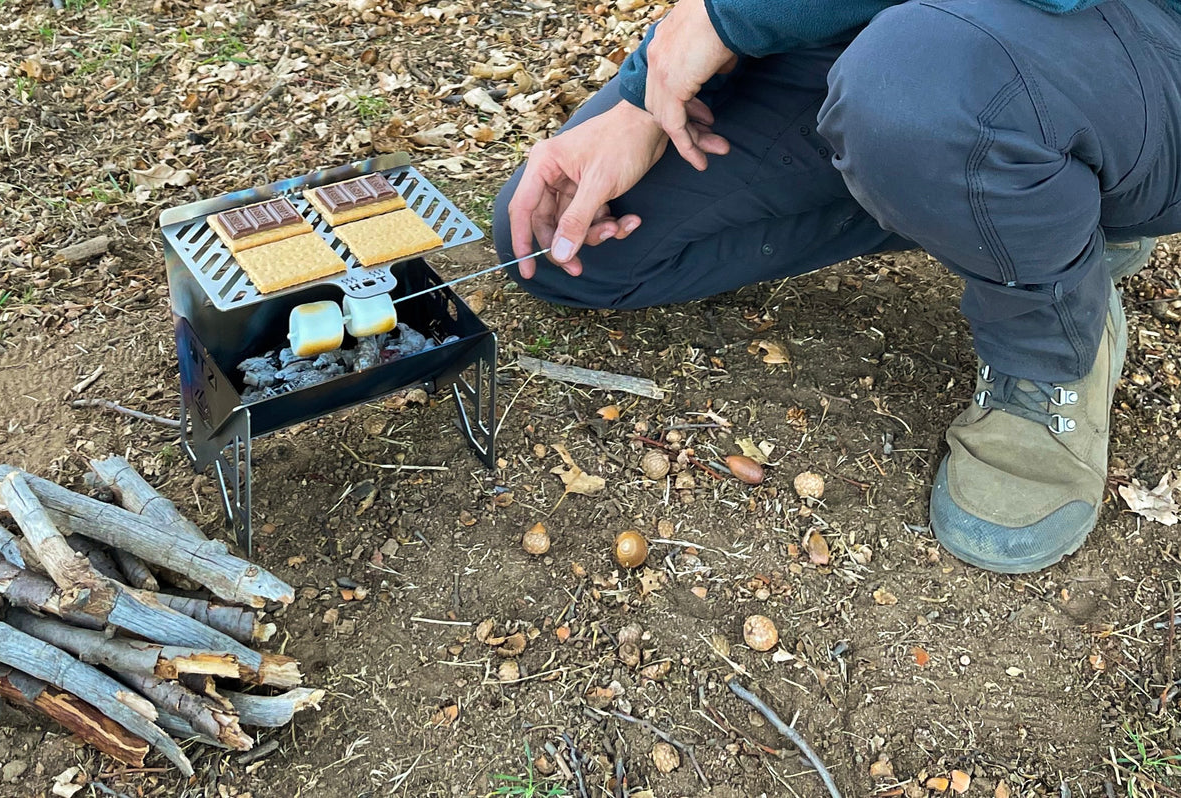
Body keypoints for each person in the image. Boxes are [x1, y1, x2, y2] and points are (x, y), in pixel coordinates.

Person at [494, 0, 1181, 574]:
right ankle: (1000, 196)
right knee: (574, 242)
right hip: (872, 25)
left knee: (916, 83)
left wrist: (730, 16)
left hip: (1122, 33)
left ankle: (1051, 335)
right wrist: (650, 94)